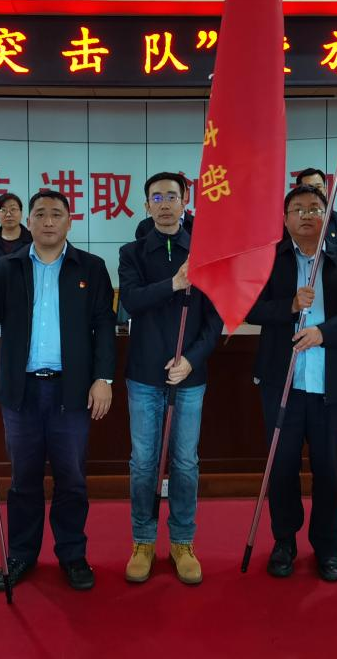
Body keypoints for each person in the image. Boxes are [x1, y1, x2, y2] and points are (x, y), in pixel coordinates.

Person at [0, 189, 116, 593]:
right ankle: (21, 554)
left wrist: (104, 378)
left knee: (71, 479)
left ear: (69, 222)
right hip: (21, 392)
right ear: (28, 222)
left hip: (72, 392)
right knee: (23, 479)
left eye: (56, 214)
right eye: (40, 214)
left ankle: (72, 555)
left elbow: (104, 326)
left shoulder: (91, 267)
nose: (48, 221)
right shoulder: (8, 267)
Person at [246, 185, 337, 582]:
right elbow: (249, 308)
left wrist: (324, 332)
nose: (307, 214)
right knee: (282, 467)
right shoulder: (269, 260)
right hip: (281, 383)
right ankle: (284, 541)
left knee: (329, 470)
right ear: (285, 218)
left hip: (329, 386)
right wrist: (288, 306)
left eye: (315, 208)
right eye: (298, 209)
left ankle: (328, 548)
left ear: (327, 217)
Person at [118, 172, 223, 585]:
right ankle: (143, 540)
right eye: (156, 197)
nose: (164, 204)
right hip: (144, 375)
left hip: (189, 377)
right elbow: (131, 301)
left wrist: (191, 360)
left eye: (172, 197)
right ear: (146, 205)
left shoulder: (203, 252)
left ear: (184, 203)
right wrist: (174, 283)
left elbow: (214, 320)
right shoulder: (131, 253)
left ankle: (182, 541)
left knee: (185, 462)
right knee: (144, 463)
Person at [295, 167, 337, 251]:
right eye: (309, 188)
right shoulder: (290, 221)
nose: (315, 192)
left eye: (318, 187)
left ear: (325, 190)